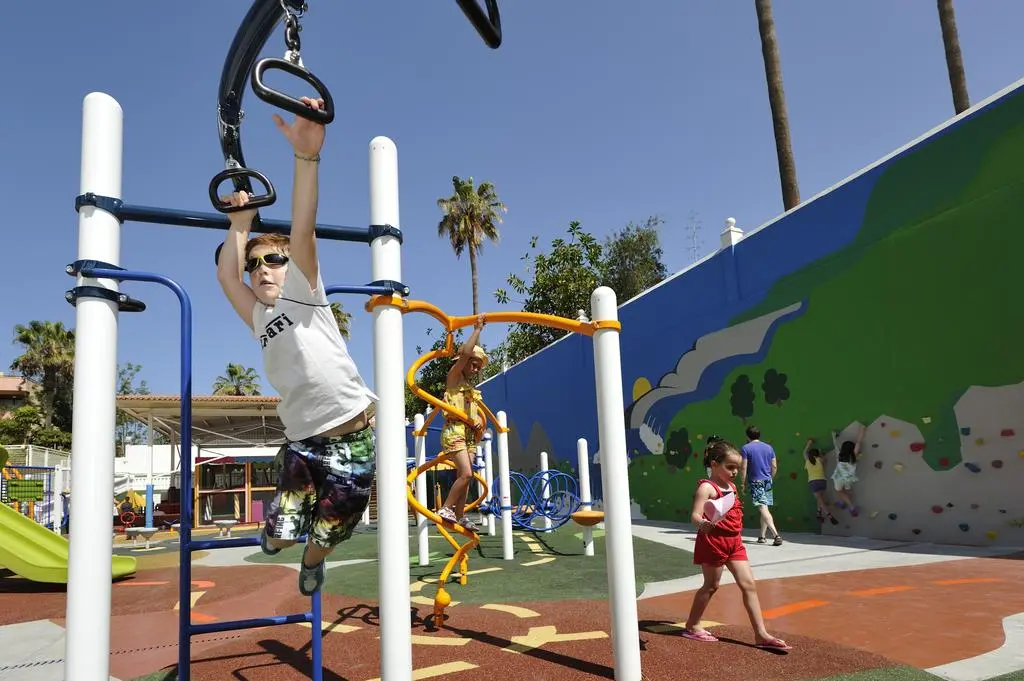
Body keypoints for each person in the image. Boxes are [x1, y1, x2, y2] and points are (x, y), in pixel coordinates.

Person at [216, 96, 377, 596]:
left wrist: (306, 157)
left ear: (292, 267)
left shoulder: (304, 292)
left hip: (353, 435)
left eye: (273, 261)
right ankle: (279, 537)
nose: (262, 270)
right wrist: (239, 227)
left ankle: (313, 561)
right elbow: (227, 276)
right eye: (255, 264)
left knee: (336, 525)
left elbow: (302, 226)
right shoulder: (258, 315)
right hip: (303, 443)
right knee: (283, 533)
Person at [680, 438, 792, 651]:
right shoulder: (707, 487)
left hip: (735, 542)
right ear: (714, 464)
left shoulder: (731, 486)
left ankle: (761, 635)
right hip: (713, 542)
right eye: (729, 467)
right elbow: (695, 515)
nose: (734, 472)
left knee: (749, 584)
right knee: (711, 585)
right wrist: (703, 523)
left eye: (737, 468)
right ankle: (692, 625)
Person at [436, 316, 488, 532]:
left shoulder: (469, 387)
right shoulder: (454, 377)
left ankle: (459, 514)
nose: (475, 369)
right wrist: (477, 329)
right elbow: (466, 353)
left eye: (478, 366)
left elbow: (474, 412)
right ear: (463, 362)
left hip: (468, 434)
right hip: (455, 431)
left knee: (466, 477)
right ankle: (446, 508)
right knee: (466, 473)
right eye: (473, 364)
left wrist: (478, 423)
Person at [739, 425, 783, 546]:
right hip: (767, 481)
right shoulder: (769, 447)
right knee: (764, 508)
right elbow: (774, 466)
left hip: (755, 481)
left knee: (762, 508)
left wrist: (742, 483)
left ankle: (776, 535)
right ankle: (762, 536)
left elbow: (743, 467)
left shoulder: (746, 448)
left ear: (747, 436)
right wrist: (770, 478)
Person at [831, 425, 865, 516]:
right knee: (847, 489)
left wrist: (833, 436)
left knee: (839, 491)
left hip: (839, 478)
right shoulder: (853, 456)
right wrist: (862, 429)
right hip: (849, 478)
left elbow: (835, 444)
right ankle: (842, 502)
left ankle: (851, 507)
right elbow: (858, 441)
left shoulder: (839, 455)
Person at [802, 439, 838, 526]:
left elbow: (804, 452)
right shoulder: (821, 460)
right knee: (820, 498)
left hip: (813, 482)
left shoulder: (808, 461)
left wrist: (809, 443)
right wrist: (820, 452)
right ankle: (818, 513)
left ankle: (829, 515)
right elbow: (825, 460)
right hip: (822, 481)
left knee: (820, 499)